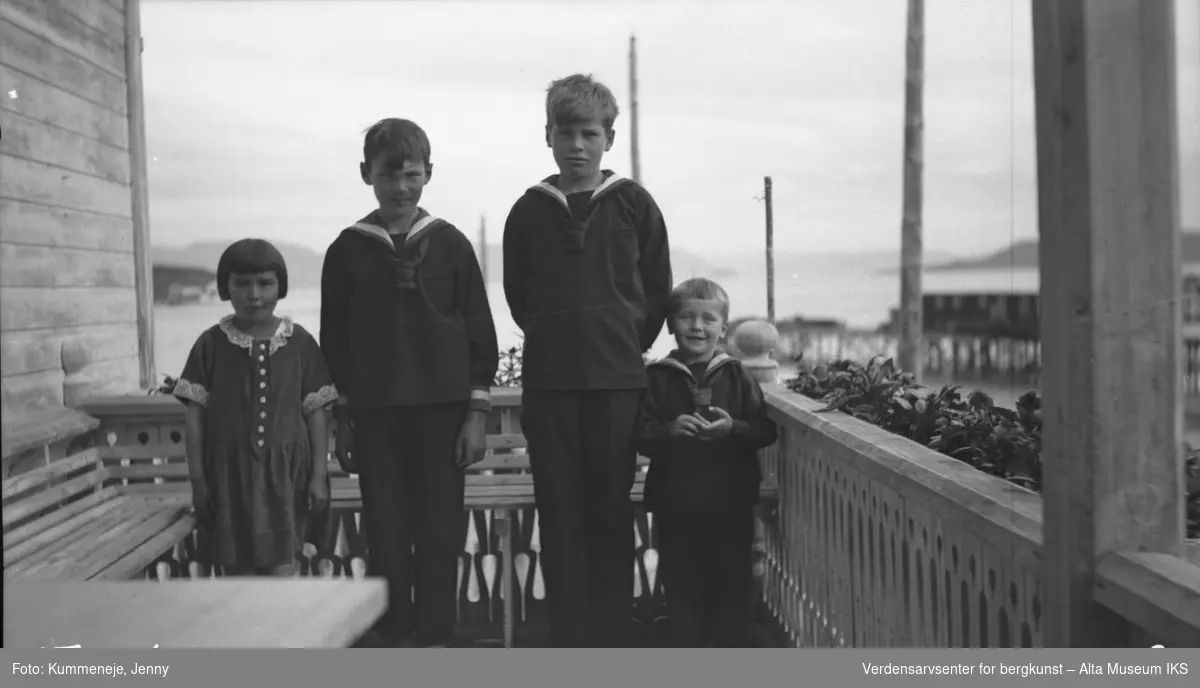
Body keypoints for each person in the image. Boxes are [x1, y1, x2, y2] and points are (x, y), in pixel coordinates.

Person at [502, 73, 673, 647]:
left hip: (617, 383)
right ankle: (569, 630)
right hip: (550, 384)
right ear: (547, 136)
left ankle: (611, 627)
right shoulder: (528, 210)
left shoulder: (633, 203)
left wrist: (621, 342)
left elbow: (656, 289)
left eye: (589, 133)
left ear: (609, 138)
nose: (577, 145)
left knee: (607, 505)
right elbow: (519, 296)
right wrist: (558, 340)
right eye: (565, 132)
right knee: (560, 506)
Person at [321, 118, 500, 648]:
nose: (401, 187)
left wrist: (476, 414)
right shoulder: (347, 250)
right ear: (365, 175)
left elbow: (480, 334)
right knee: (387, 531)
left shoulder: (451, 246)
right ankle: (395, 635)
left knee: (441, 531)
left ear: (429, 174)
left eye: (412, 175)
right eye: (387, 175)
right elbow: (336, 343)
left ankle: (436, 639)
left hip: (444, 416)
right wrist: (344, 421)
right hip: (375, 416)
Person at [174, 239, 338, 577]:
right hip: (229, 478)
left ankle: (282, 630)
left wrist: (319, 476)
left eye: (265, 283)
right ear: (225, 287)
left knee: (283, 567)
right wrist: (198, 481)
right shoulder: (210, 345)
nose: (254, 295)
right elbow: (194, 420)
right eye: (242, 283)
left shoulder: (301, 343)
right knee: (236, 571)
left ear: (281, 286)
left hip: (287, 476)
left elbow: (316, 414)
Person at [635, 278, 778, 647]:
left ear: (723, 328)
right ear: (670, 324)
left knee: (731, 586)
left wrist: (733, 428)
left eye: (708, 319)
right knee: (681, 587)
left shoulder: (738, 375)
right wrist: (670, 430)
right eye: (686, 317)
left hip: (729, 503)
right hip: (676, 505)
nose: (697, 326)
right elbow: (640, 435)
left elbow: (764, 430)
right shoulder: (656, 378)